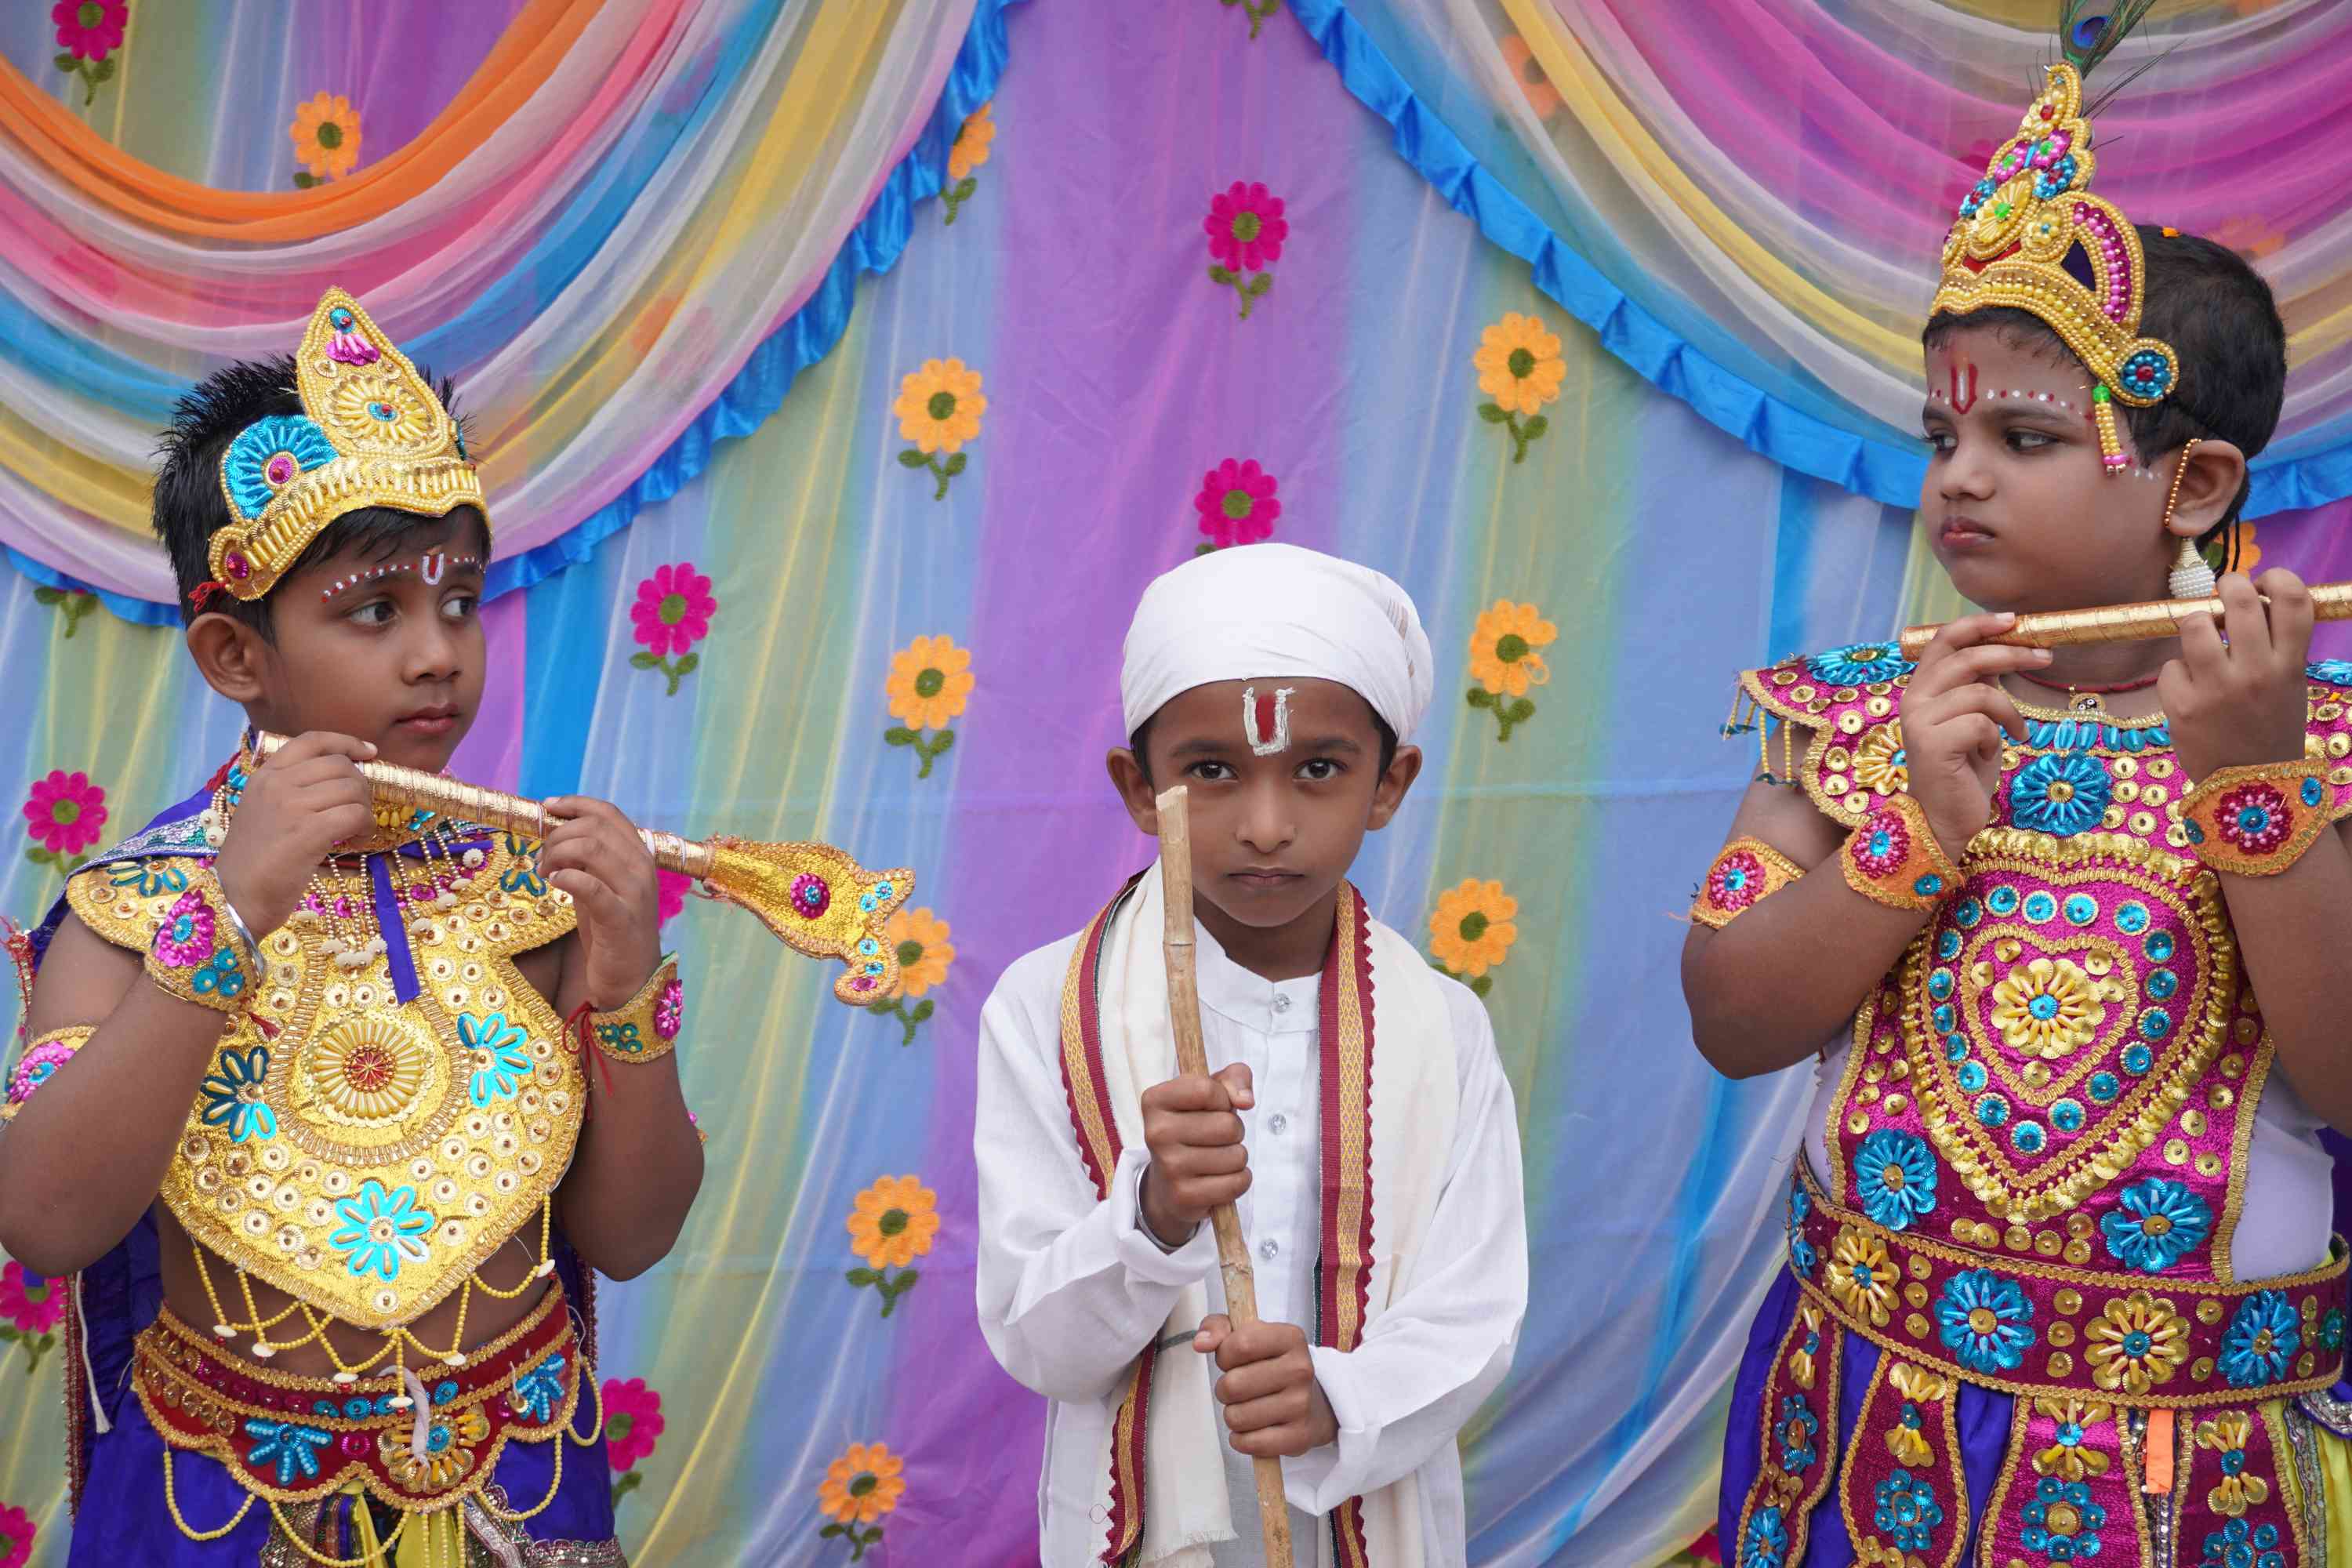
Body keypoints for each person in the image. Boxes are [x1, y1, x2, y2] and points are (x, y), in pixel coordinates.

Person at [1686, 21, 2352, 1567]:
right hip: (1860, 1408)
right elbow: (1731, 1018)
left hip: (2185, 1462)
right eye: (1944, 434)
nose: (1959, 476)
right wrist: (1910, 834)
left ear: (2193, 485)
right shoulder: (1854, 713)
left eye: (2026, 435)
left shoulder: (2314, 734)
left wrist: (2256, 791)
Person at [0, 289, 703, 1564]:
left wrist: (627, 990)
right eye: (376, 610)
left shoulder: (534, 898)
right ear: (235, 656)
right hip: (220, 1508)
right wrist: (228, 920)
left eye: (460, 600)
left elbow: (632, 1236)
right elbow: (45, 1220)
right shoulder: (130, 911)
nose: (439, 654)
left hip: (523, 1494)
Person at [975, 543, 1528, 1567]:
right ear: (1140, 789)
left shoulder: (1442, 1028)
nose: (1267, 827)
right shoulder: (1045, 1009)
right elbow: (1038, 1344)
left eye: (1317, 770)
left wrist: (1338, 1399)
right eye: (1212, 772)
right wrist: (1151, 1218)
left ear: (1390, 784)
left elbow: (1476, 1317)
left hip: (1369, 1515)